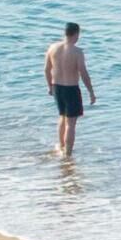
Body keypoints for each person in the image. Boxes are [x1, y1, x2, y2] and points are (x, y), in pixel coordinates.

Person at [44, 23, 94, 161]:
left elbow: (47, 69)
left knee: (62, 117)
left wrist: (49, 86)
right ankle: (68, 154)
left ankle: (60, 146)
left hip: (57, 87)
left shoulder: (52, 48)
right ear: (76, 34)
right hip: (71, 89)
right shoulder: (77, 52)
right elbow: (83, 73)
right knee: (71, 123)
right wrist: (91, 91)